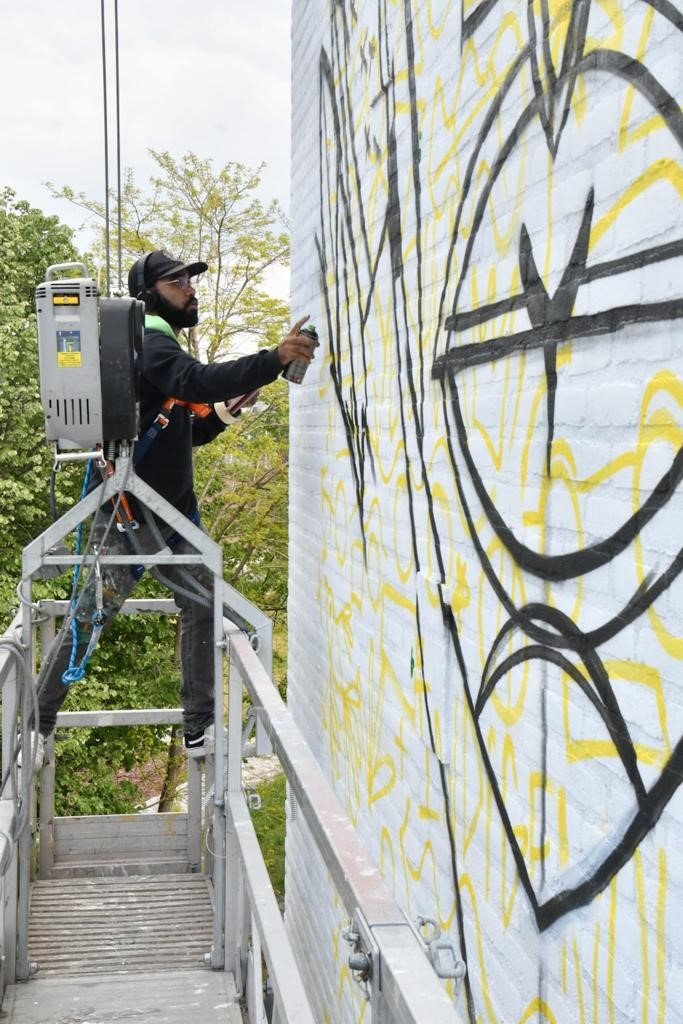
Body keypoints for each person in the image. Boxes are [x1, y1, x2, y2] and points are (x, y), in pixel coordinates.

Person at [29, 249, 315, 767]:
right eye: (176, 280)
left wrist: (226, 414)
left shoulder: (156, 346)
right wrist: (272, 361)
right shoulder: (151, 338)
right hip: (128, 512)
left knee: (201, 603)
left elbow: (182, 430)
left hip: (170, 512)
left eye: (189, 279)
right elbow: (195, 381)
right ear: (150, 293)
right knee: (90, 615)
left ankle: (197, 726)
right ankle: (38, 722)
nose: (190, 287)